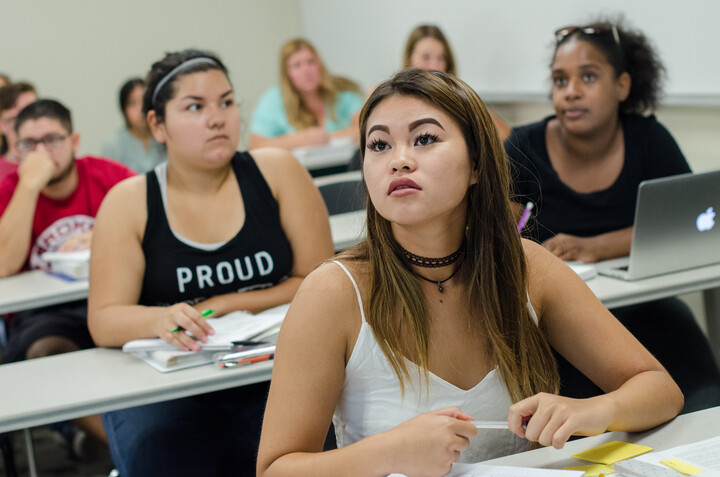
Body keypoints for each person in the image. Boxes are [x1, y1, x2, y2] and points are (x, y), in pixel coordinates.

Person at [256, 68, 682, 476]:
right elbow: (275, 469)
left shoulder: (527, 266)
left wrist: (592, 410)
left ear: (476, 164)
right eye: (379, 145)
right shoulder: (333, 292)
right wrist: (387, 453)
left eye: (424, 139)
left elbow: (659, 389)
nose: (399, 161)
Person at [88, 49, 333, 476]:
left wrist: (224, 303)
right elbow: (105, 319)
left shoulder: (277, 172)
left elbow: (320, 279)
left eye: (226, 101)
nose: (217, 118)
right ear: (156, 125)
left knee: (309, 451)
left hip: (274, 372)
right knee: (161, 453)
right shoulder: (129, 202)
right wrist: (159, 319)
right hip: (170, 387)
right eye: (195, 107)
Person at [505, 20, 720, 412]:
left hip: (649, 314)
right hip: (559, 332)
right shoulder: (522, 147)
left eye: (588, 76)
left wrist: (595, 247)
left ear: (622, 85)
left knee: (705, 405)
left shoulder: (648, 139)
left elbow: (694, 223)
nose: (570, 92)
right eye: (559, 80)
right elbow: (498, 238)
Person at [0, 99, 135, 446]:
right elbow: (4, 264)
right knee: (42, 353)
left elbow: (156, 226)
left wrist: (107, 231)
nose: (42, 153)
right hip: (45, 315)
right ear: (16, 151)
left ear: (74, 142)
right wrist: (29, 186)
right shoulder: (11, 190)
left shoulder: (110, 177)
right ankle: (122, 445)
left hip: (114, 298)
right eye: (29, 145)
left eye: (52, 140)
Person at [249, 38, 364, 150]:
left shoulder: (341, 90)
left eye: (311, 62)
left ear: (320, 65)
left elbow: (364, 128)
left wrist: (324, 138)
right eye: (297, 65)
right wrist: (300, 140)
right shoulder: (273, 100)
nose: (306, 71)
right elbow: (256, 146)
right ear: (287, 74)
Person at [402, 25, 511, 142]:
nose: (435, 66)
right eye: (426, 57)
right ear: (410, 59)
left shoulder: (458, 98)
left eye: (441, 58)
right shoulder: (395, 99)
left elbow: (506, 135)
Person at [101, 78, 166, 173]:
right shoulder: (112, 147)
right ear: (124, 110)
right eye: (133, 103)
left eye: (144, 101)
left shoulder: (166, 138)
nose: (141, 109)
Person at [0, 82, 37, 180]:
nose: (29, 124)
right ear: (1, 125)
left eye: (34, 114)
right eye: (16, 118)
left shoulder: (63, 166)